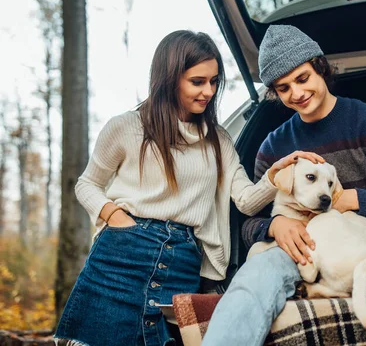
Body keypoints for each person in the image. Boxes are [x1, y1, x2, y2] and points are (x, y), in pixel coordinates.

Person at [53, 30, 323, 346]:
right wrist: (114, 216)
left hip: (182, 259)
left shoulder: (219, 140)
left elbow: (247, 202)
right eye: (198, 81)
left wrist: (276, 174)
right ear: (169, 79)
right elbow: (88, 184)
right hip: (122, 254)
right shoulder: (126, 126)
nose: (208, 91)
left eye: (214, 81)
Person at [202, 25, 366, 346]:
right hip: (300, 251)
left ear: (320, 67)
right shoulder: (274, 146)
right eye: (284, 88)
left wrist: (351, 199)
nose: (297, 94)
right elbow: (248, 223)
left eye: (302, 79)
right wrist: (275, 225)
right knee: (253, 278)